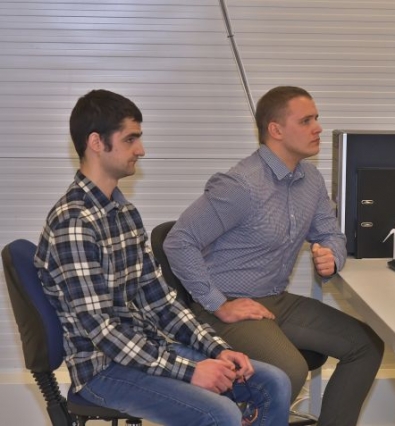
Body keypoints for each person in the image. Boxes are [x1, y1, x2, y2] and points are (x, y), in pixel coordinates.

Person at [34, 89, 291, 426]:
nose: (141, 150)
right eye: (130, 139)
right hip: (104, 370)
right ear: (96, 142)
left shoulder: (124, 212)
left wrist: (217, 349)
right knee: (221, 413)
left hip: (146, 350)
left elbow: (162, 302)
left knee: (273, 383)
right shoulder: (73, 223)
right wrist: (191, 371)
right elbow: (103, 330)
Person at [164, 86, 385, 426]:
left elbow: (330, 233)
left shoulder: (310, 179)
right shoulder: (241, 185)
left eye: (317, 118)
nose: (318, 128)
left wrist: (333, 256)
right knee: (288, 370)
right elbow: (179, 242)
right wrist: (219, 304)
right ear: (276, 130)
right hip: (227, 306)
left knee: (367, 345)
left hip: (275, 301)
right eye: (306, 121)